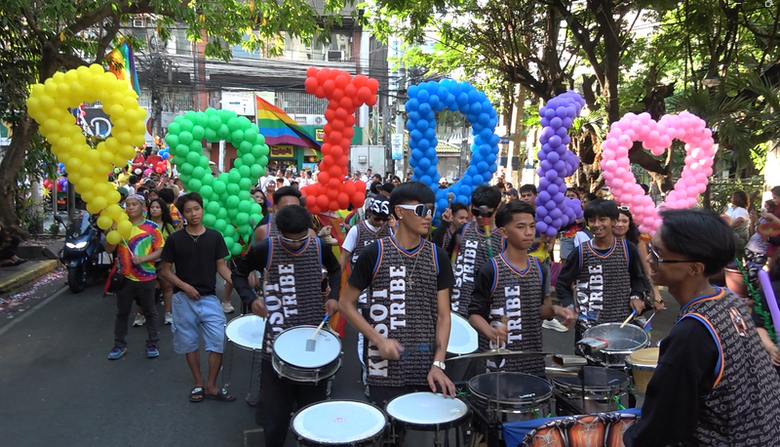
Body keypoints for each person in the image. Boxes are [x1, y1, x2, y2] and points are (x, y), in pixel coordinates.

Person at [624, 208, 780, 446]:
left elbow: (664, 424)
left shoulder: (692, 333)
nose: (648, 259)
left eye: (658, 254)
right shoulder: (731, 300)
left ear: (695, 268)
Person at [338, 181, 456, 409]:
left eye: (431, 210)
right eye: (421, 210)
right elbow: (345, 304)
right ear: (399, 212)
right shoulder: (375, 252)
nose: (428, 216)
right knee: (386, 425)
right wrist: (378, 339)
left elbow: (444, 315)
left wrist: (438, 363)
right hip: (383, 367)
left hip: (425, 365)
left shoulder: (438, 257)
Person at [232, 205, 341, 447]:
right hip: (276, 338)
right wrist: (251, 299)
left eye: (301, 238)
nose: (296, 244)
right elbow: (238, 274)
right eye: (290, 240)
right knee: (275, 415)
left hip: (312, 333)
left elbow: (335, 270)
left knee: (312, 410)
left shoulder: (319, 246)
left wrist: (334, 296)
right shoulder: (264, 249)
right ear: (279, 232)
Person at [468, 200, 576, 375]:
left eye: (532, 226)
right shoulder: (491, 269)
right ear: (503, 232)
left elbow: (536, 310)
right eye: (520, 227)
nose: (528, 232)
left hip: (532, 361)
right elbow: (474, 314)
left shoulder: (540, 268)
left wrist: (555, 310)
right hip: (498, 365)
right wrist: (491, 332)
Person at [159, 192, 236, 403]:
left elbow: (221, 266)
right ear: (182, 214)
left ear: (202, 209)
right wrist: (185, 287)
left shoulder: (214, 236)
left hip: (209, 298)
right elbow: (165, 270)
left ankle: (211, 385)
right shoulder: (175, 239)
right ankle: (198, 382)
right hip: (183, 300)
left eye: (196, 209)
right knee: (189, 343)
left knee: (218, 341)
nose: (194, 214)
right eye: (188, 211)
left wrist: (239, 283)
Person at [555, 199, 648, 342]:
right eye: (592, 220)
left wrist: (636, 296)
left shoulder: (628, 249)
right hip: (588, 328)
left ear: (614, 221)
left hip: (621, 324)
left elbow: (639, 278)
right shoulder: (580, 252)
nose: (597, 224)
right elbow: (562, 283)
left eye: (602, 219)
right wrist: (569, 306)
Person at [104, 194, 164, 360]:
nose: (130, 207)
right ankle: (119, 345)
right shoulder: (120, 226)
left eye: (134, 204)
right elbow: (109, 249)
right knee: (122, 313)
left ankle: (152, 343)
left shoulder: (152, 227)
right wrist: (112, 232)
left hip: (146, 277)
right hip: (124, 278)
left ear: (143, 207)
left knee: (150, 312)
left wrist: (143, 259)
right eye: (128, 204)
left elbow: (159, 250)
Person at [447, 185, 505, 318]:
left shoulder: (503, 237)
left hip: (485, 308)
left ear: (497, 208)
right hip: (458, 304)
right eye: (475, 212)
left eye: (486, 213)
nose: (479, 217)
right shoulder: (463, 230)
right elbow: (449, 260)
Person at [519, 183, 566, 332]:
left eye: (529, 195)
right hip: (525, 259)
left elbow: (553, 229)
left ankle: (549, 320)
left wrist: (551, 241)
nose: (526, 198)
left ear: (536, 196)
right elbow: (518, 239)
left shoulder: (545, 212)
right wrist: (540, 240)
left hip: (542, 259)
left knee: (545, 292)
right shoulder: (519, 215)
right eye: (523, 195)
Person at [613, 207, 664, 312]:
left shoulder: (638, 244)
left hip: (634, 294)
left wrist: (657, 297)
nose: (620, 224)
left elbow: (648, 270)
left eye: (624, 221)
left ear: (629, 224)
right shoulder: (601, 243)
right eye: (617, 221)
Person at [148, 198, 176, 325]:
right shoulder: (144, 225)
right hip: (147, 262)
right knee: (146, 289)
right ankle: (142, 313)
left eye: (157, 207)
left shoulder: (168, 227)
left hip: (164, 262)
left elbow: (174, 243)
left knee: (167, 287)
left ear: (163, 210)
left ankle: (168, 313)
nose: (154, 209)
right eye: (152, 207)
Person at [725, 190, 750, 255]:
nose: (731, 199)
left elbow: (740, 219)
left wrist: (729, 227)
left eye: (732, 197)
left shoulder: (741, 210)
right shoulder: (732, 209)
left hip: (738, 236)